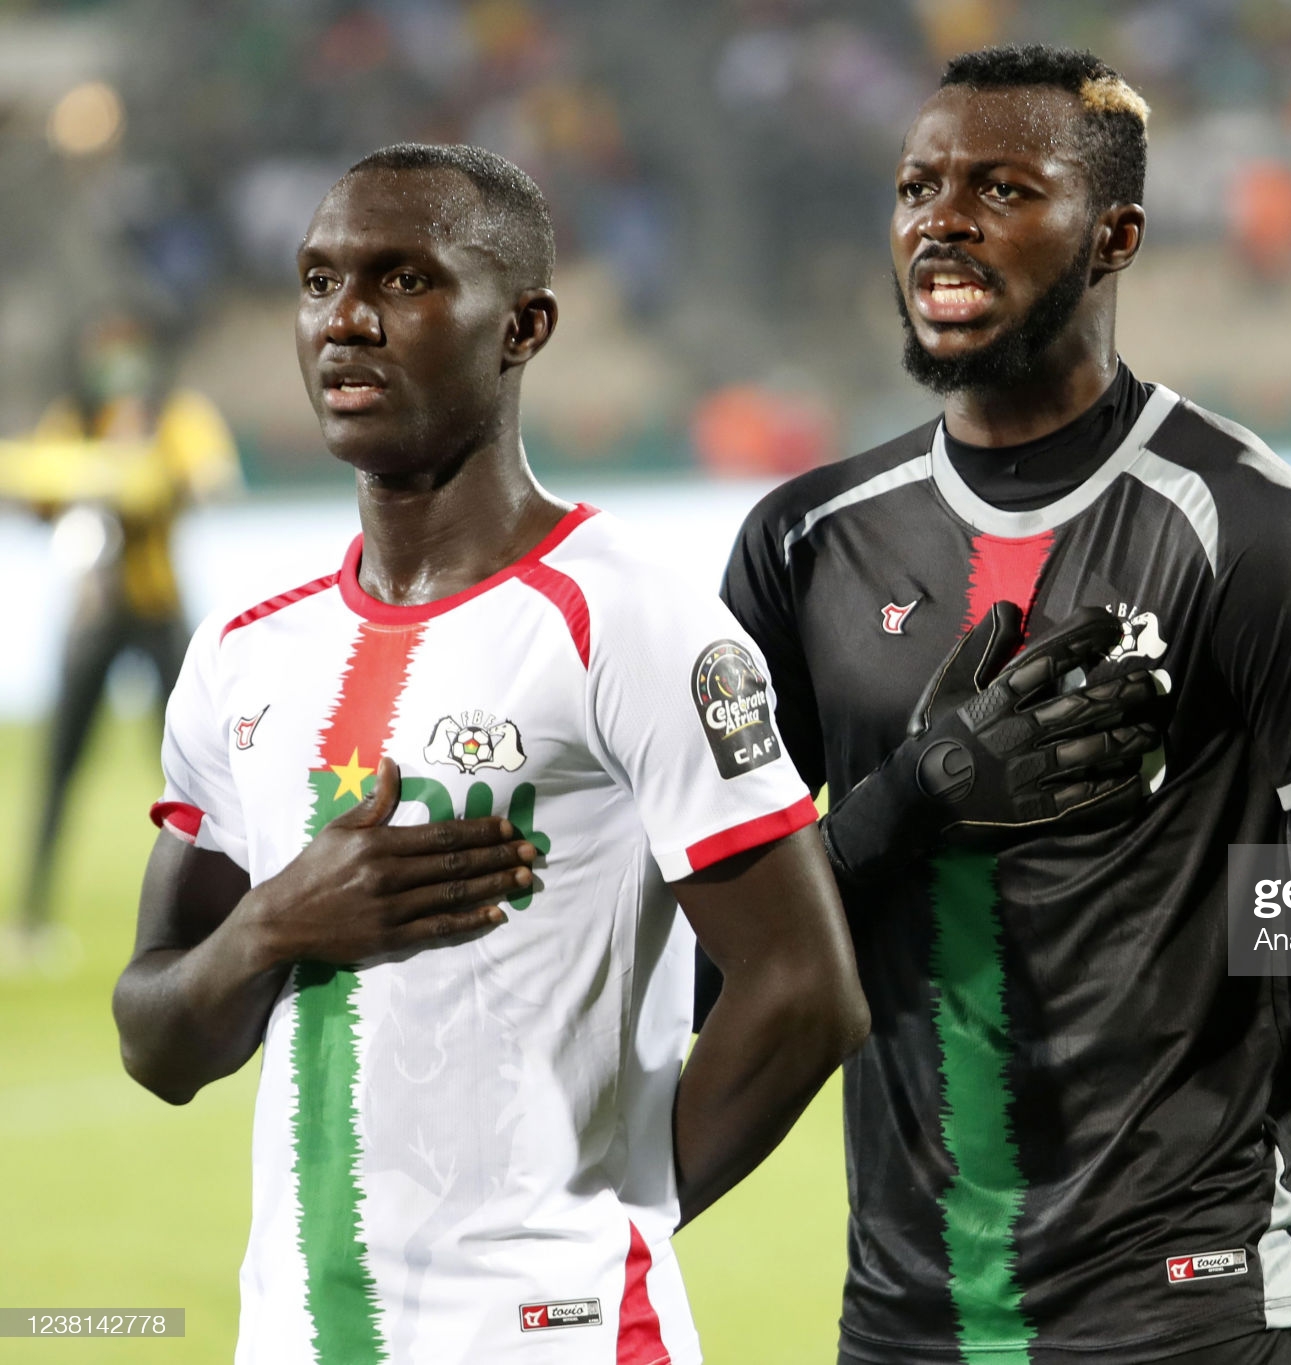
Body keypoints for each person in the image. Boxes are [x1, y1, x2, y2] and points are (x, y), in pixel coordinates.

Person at [713, 44, 1291, 1365]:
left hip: (1194, 1307)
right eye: (918, 186)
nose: (942, 221)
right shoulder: (803, 544)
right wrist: (909, 804)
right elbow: (707, 957)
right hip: (908, 1322)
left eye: (1002, 187)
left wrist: (1173, 1006)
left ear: (1114, 234)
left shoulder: (1253, 532)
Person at [110, 143, 867, 1364]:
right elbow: (158, 1045)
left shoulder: (630, 620)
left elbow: (803, 993)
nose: (344, 321)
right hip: (289, 1340)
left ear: (523, 325)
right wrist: (270, 930)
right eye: (317, 282)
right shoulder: (244, 653)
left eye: (402, 281)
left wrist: (611, 1229)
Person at [0, 311, 239, 970]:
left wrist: (142, 471)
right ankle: (30, 915)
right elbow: (32, 493)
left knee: (194, 768)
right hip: (95, 612)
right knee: (60, 764)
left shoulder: (176, 416)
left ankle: (226, 903)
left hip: (157, 607)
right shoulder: (72, 419)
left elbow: (211, 477)